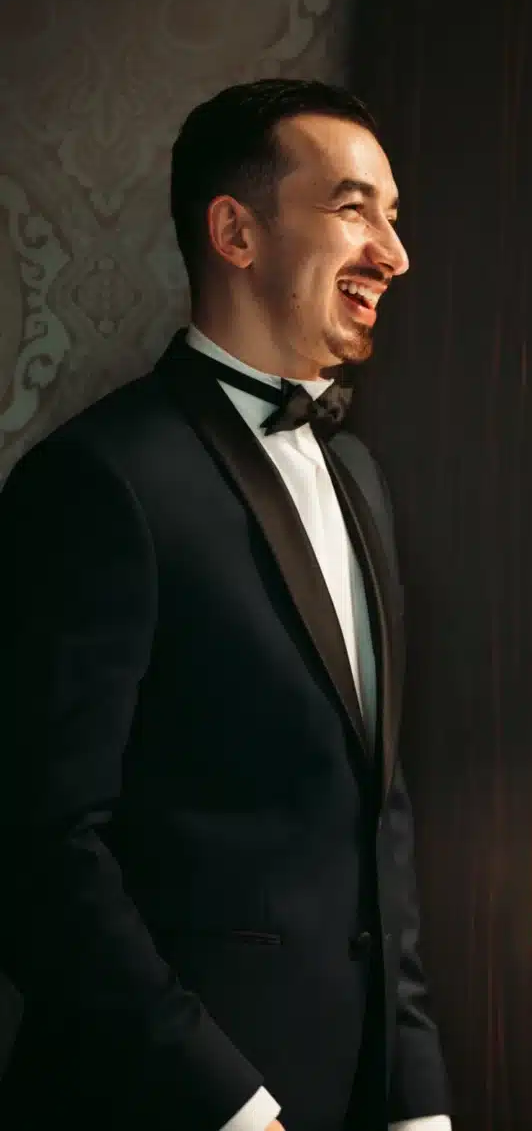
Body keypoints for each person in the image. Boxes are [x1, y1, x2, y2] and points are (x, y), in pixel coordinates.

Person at [0, 80, 453, 1131]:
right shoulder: (95, 481)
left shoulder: (359, 479)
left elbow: (378, 817)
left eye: (394, 215)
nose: (394, 252)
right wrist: (231, 1102)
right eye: (354, 208)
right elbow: (35, 845)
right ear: (236, 231)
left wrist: (417, 1099)